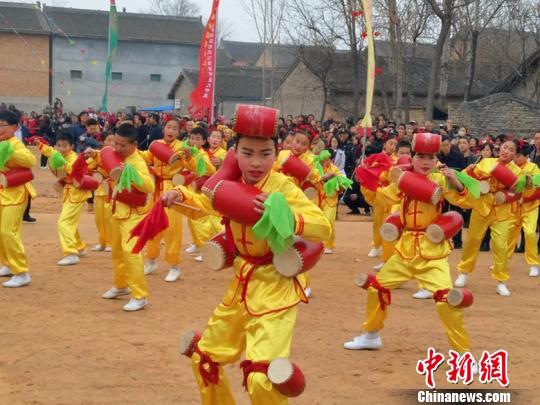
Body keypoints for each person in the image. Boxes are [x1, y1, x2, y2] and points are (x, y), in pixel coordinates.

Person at [162, 104, 331, 404]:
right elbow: (206, 203)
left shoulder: (282, 188)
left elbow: (321, 226)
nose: (256, 162)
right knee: (203, 360)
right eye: (247, 153)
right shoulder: (229, 183)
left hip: (275, 288)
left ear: (275, 153)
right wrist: (178, 196)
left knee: (262, 380)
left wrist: (286, 215)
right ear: (234, 152)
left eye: (265, 154)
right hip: (240, 285)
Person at [344, 133, 474, 354]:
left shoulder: (440, 180)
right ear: (412, 158)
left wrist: (456, 181)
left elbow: (467, 201)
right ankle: (371, 335)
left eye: (430, 157)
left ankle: (463, 355)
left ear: (436, 160)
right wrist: (365, 178)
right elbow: (379, 198)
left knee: (446, 300)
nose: (425, 162)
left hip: (431, 253)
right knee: (377, 287)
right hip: (404, 251)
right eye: (420, 156)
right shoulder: (401, 180)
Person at [88, 123, 155, 311]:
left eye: (123, 145)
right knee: (117, 251)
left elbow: (148, 186)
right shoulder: (118, 155)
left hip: (134, 214)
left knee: (131, 252)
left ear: (134, 144)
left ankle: (140, 296)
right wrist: (93, 154)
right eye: (116, 143)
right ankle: (121, 285)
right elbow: (105, 160)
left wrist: (129, 172)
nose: (118, 148)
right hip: (118, 210)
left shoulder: (137, 161)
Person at [454, 140, 523, 296]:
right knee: (472, 240)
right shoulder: (486, 162)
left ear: (514, 154)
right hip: (482, 206)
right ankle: (463, 272)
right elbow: (470, 179)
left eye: (511, 149)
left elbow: (518, 191)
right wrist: (471, 171)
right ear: (499, 149)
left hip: (502, 211)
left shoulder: (516, 171)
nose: (506, 151)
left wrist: (511, 189)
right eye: (505, 147)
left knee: (500, 246)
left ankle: (501, 281)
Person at [140, 118, 194, 282]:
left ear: (179, 132)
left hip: (172, 188)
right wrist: (131, 151)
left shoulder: (182, 148)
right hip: (157, 188)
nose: (171, 131)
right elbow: (145, 158)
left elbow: (192, 167)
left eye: (175, 128)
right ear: (164, 129)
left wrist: (189, 158)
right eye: (168, 127)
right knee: (152, 225)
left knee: (172, 228)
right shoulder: (156, 144)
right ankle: (151, 261)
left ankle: (174, 266)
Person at [35, 134, 91, 266]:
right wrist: (39, 144)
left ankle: (71, 253)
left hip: (76, 193)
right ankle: (79, 246)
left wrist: (62, 163)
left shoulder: (74, 158)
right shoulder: (57, 153)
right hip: (69, 192)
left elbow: (72, 169)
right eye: (58, 145)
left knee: (64, 222)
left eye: (65, 146)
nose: (61, 148)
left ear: (71, 146)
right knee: (70, 221)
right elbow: (49, 151)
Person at [0, 110, 37, 287]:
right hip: (2, 192)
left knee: (8, 231)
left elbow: (30, 160)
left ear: (14, 127)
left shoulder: (15, 144)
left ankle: (22, 272)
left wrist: (9, 153)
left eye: (2, 125)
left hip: (15, 194)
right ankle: (7, 263)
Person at [506, 141, 540, 277]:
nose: (516, 158)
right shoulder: (511, 167)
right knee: (508, 234)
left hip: (530, 207)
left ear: (526, 157)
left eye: (519, 156)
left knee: (530, 233)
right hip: (514, 207)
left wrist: (525, 199)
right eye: (515, 156)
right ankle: (502, 262)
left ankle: (533, 264)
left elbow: (538, 189)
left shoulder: (534, 168)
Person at [87, 132, 115, 253]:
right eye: (109, 140)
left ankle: (111, 242)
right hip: (99, 191)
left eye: (114, 141)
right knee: (99, 218)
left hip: (112, 190)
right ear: (103, 142)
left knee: (110, 218)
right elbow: (88, 166)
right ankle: (102, 242)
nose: (112, 144)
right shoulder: (98, 155)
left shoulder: (117, 156)